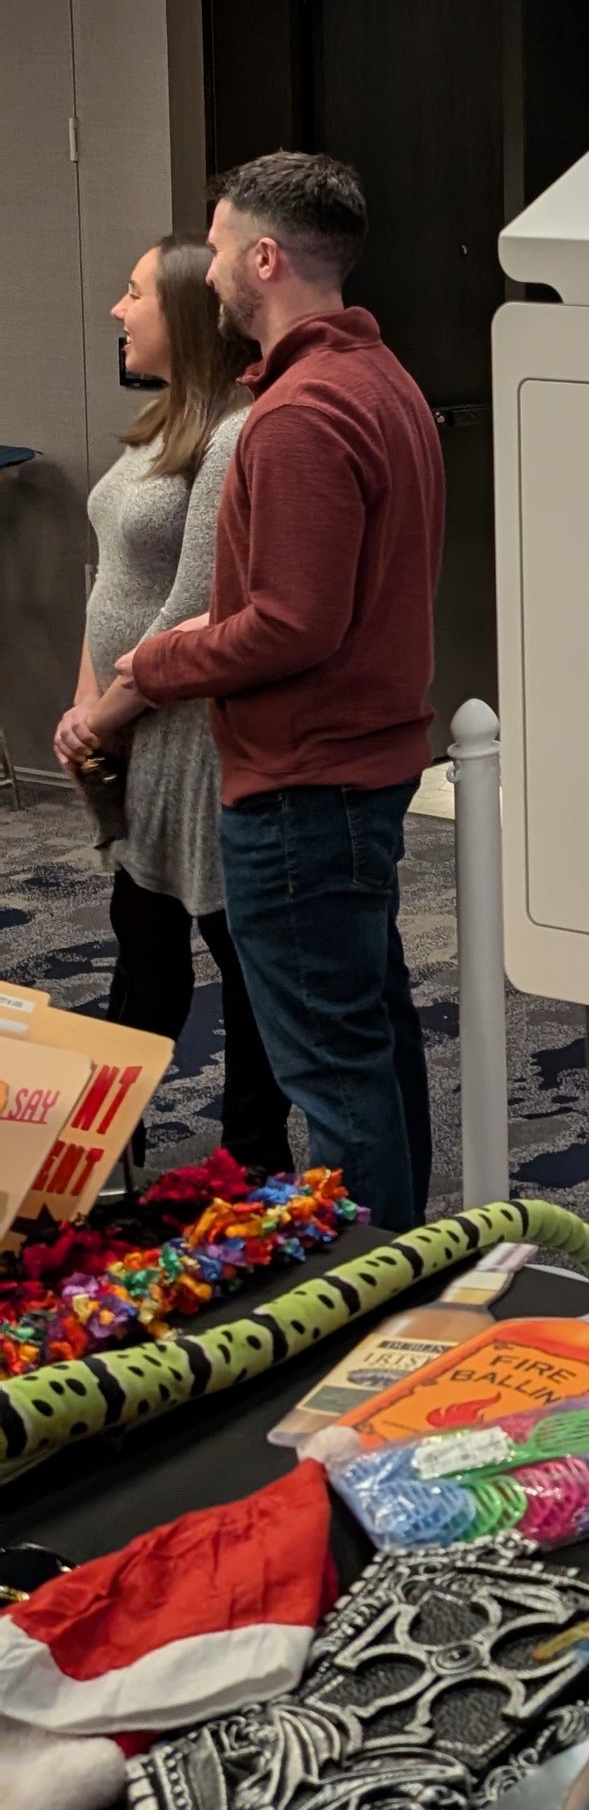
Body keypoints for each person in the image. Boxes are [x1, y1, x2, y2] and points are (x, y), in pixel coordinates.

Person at [112, 152, 446, 1232]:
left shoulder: (301, 413)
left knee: (335, 1074)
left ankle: (377, 1309)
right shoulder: (380, 379)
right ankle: (408, 1269)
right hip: (358, 769)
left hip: (304, 786)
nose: (203, 272)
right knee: (374, 1044)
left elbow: (295, 625)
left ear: (264, 256)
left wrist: (156, 664)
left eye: (213, 247)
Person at [53, 238, 293, 1173]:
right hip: (127, 728)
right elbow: (111, 584)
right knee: (141, 941)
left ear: (186, 316)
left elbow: (195, 604)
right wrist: (85, 703)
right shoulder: (161, 423)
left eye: (135, 293)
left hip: (191, 738)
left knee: (237, 958)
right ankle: (105, 1154)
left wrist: (106, 712)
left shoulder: (236, 434)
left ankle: (253, 1159)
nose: (118, 310)